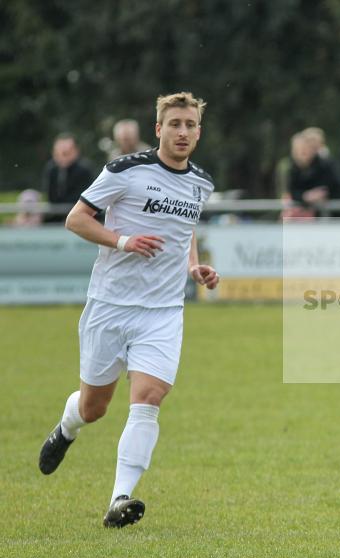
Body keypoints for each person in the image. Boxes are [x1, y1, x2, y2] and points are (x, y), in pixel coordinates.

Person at [38, 92, 219, 528]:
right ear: (158, 129)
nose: (182, 132)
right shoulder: (125, 171)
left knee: (149, 398)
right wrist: (123, 242)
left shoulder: (201, 182)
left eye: (190, 125)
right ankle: (66, 428)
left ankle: (120, 499)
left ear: (198, 131)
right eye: (174, 123)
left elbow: (185, 226)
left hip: (162, 312)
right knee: (94, 405)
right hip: (110, 306)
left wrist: (193, 266)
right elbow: (77, 219)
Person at [281, 128, 340, 219]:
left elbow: (330, 186)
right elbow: (292, 191)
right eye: (299, 149)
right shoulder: (293, 168)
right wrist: (305, 196)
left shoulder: (325, 165)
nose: (302, 152)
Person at [42, 133, 96, 224]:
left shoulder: (84, 169)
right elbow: (50, 196)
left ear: (76, 151)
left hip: (80, 216)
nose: (62, 156)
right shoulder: (52, 169)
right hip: (56, 217)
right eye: (58, 152)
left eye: (67, 153)